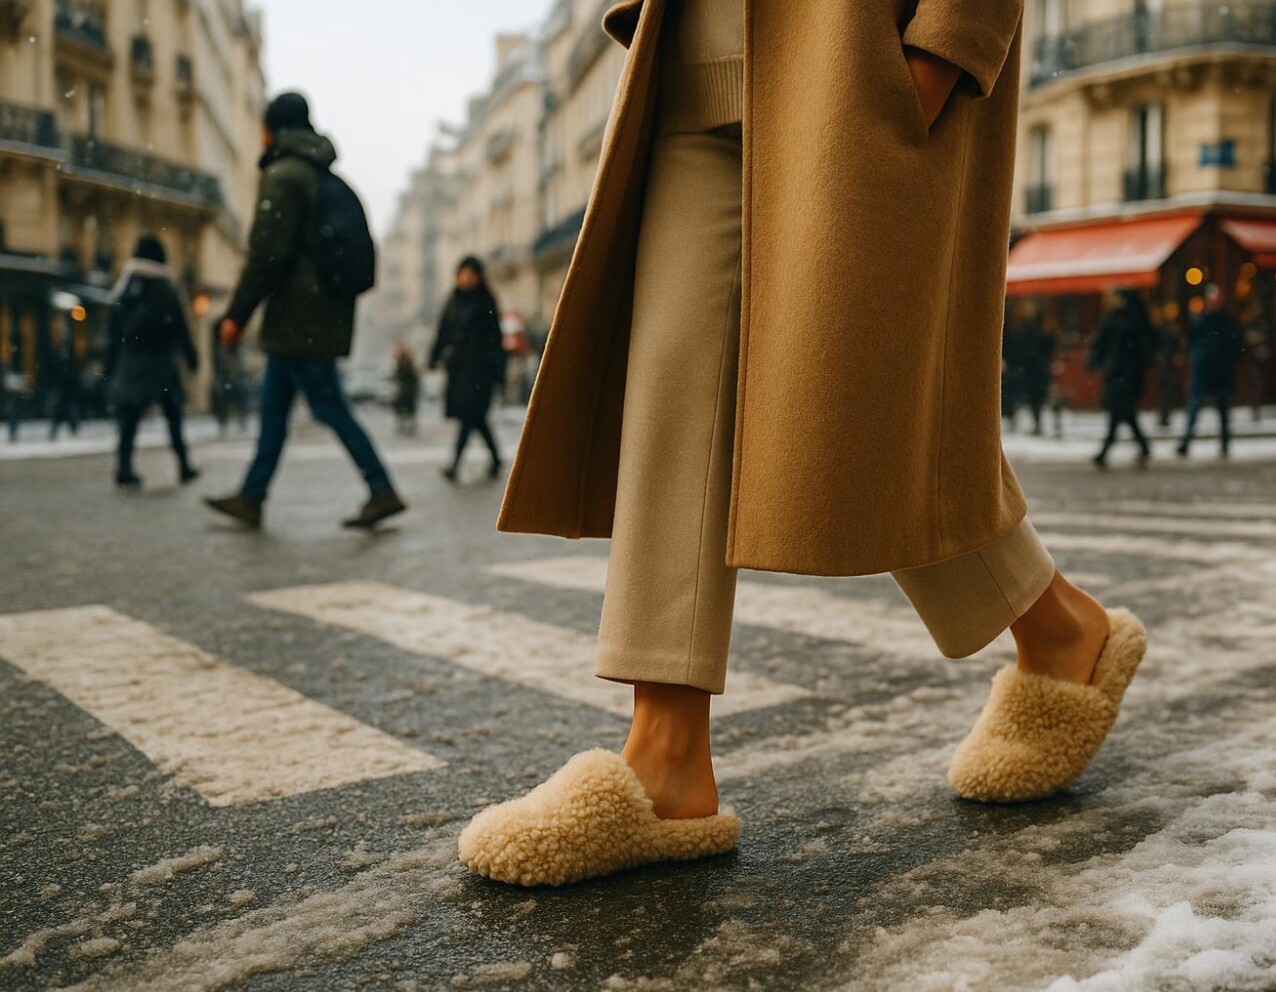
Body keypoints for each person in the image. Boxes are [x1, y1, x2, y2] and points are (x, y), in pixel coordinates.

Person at [458, 0, 1148, 887]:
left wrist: (951, 39)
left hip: (859, 50)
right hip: (690, 51)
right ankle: (665, 757)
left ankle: (1058, 629)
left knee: (862, 407)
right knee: (674, 390)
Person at [204, 92, 404, 531]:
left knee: (328, 406)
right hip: (317, 315)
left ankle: (381, 486)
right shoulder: (319, 174)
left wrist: (237, 314)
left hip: (299, 318)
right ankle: (252, 496)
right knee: (275, 411)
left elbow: (266, 255)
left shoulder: (284, 176)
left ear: (272, 129)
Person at [102, 235, 200, 488]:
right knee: (173, 415)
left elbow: (113, 331)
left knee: (129, 419)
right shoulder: (166, 287)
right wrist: (190, 357)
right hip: (161, 362)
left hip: (131, 361)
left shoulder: (124, 286)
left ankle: (124, 467)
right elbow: (180, 326)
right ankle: (184, 465)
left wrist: (109, 364)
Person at [429, 256, 507, 481]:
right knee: (476, 419)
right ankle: (495, 457)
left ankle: (454, 464)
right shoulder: (453, 300)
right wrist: (434, 356)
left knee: (469, 417)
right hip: (459, 370)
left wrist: (498, 372)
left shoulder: (485, 301)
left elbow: (495, 340)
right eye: (462, 273)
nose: (466, 278)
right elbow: (443, 331)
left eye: (470, 274)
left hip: (480, 371)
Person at [1089, 290, 1156, 469]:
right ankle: (1141, 446)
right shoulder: (1127, 317)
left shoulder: (1127, 318)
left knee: (1120, 411)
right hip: (1120, 372)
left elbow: (1105, 342)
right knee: (1123, 412)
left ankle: (1106, 451)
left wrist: (1095, 360)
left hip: (1124, 373)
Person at [1176, 285, 1243, 458]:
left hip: (1220, 370)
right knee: (1195, 407)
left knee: (1221, 409)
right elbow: (1192, 342)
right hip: (1204, 370)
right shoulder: (1203, 320)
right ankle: (1187, 441)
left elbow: (1235, 344)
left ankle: (1224, 443)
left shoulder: (1224, 320)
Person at [1003, 301, 1053, 437]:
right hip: (1018, 367)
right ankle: (1011, 419)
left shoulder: (1036, 326)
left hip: (1034, 368)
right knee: (1011, 394)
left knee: (1035, 398)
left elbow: (1046, 347)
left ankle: (1036, 422)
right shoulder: (1012, 326)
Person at [392, 343, 420, 437]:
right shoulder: (405, 364)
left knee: (404, 407)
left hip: (407, 390)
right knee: (407, 409)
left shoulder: (404, 364)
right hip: (408, 390)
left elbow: (405, 378)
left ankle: (406, 426)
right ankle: (407, 426)